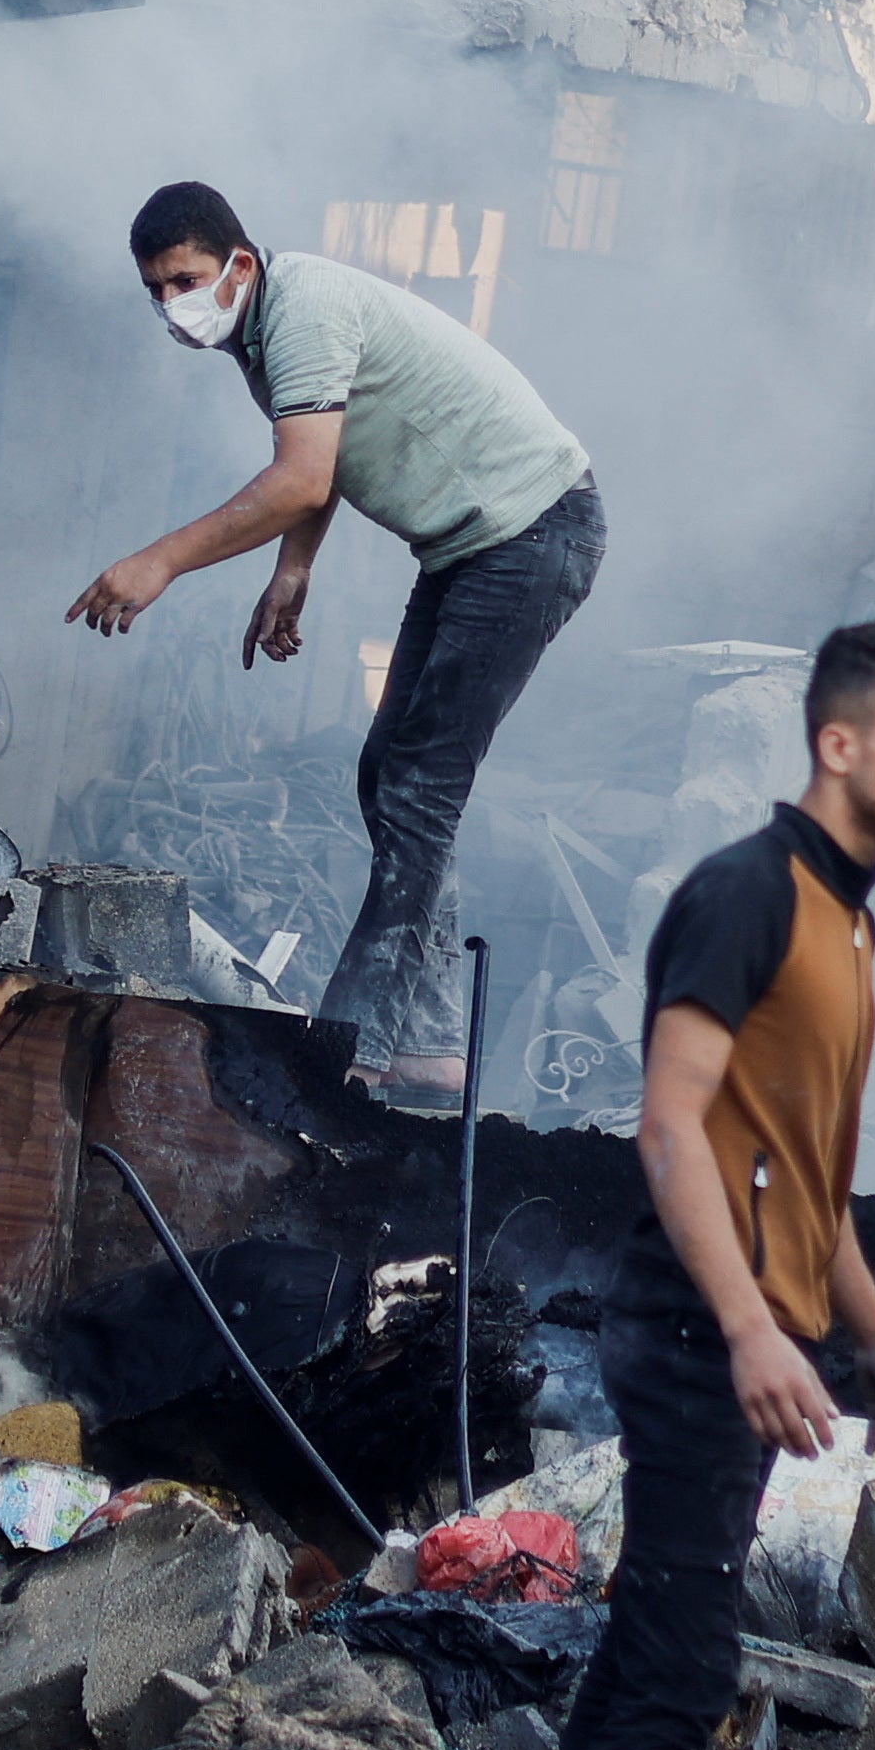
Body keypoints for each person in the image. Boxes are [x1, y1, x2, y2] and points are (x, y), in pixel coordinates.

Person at [70, 181, 603, 1096]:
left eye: (184, 280)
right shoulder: (261, 331)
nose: (171, 305)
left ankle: (354, 1048)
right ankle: (428, 1038)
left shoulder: (302, 309)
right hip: (474, 550)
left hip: (531, 533)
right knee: (387, 775)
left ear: (237, 264)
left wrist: (158, 562)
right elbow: (321, 460)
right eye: (155, 290)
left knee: (420, 788)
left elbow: (302, 476)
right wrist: (293, 568)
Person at [557, 618, 875, 1750]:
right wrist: (748, 1330)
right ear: (840, 743)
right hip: (692, 1328)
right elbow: (668, 1124)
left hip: (736, 1326)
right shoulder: (748, 894)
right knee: (685, 1677)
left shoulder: (851, 920)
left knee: (649, 1650)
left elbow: (811, 1170)